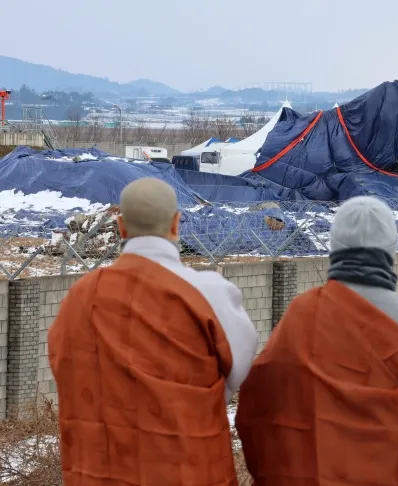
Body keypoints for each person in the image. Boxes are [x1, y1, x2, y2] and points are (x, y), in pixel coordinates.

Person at [235, 195, 398, 486]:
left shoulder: (300, 314)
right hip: (390, 472)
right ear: (391, 249)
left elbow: (260, 398)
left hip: (308, 474)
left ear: (334, 246)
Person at [48, 177, 258, 486]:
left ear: (120, 227)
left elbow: (65, 368)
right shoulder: (210, 294)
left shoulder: (79, 299)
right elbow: (236, 374)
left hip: (98, 471)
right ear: (176, 224)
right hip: (191, 471)